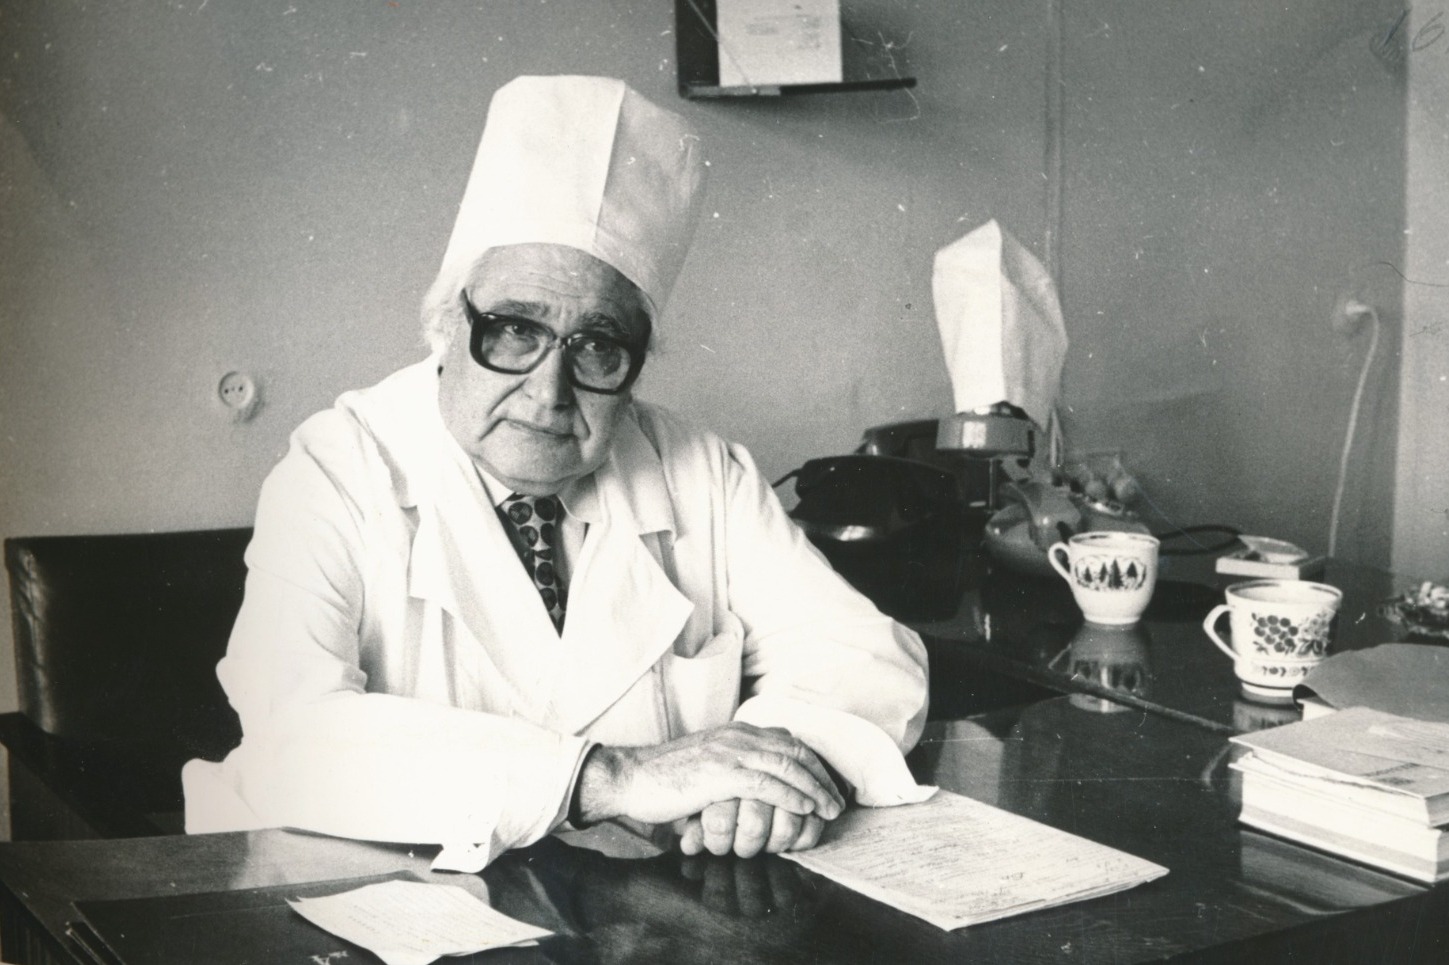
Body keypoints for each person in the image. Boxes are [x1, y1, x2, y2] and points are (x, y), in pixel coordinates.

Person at [183, 74, 928, 868]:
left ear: (636, 363)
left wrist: (762, 771)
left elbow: (865, 659)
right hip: (375, 896)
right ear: (447, 325)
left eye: (597, 345)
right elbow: (293, 737)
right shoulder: (336, 466)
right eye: (514, 331)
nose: (548, 392)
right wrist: (609, 777)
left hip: (638, 909)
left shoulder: (700, 469)